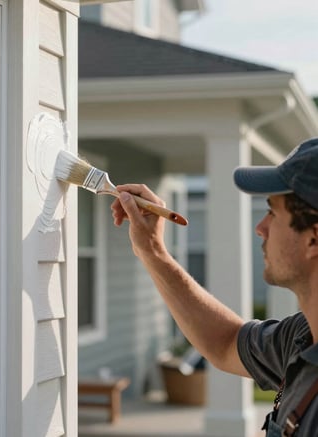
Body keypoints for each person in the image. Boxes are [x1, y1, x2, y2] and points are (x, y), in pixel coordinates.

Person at [111, 137, 318, 436]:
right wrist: (153, 251)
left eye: (273, 212)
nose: (260, 228)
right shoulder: (301, 335)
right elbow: (224, 342)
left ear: (313, 238)